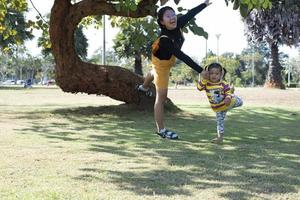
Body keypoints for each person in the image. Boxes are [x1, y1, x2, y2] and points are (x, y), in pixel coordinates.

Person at [137, 0, 211, 140]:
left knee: (153, 72)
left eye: (173, 14)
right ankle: (161, 130)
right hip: (161, 64)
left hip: (166, 59)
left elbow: (190, 14)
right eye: (168, 16)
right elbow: (182, 56)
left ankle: (143, 87)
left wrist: (205, 4)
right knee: (161, 96)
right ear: (162, 22)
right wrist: (201, 70)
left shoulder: (178, 24)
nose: (172, 18)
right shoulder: (165, 39)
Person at [197, 63, 243, 144]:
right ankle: (220, 138)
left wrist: (228, 97)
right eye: (211, 73)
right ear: (207, 73)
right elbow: (199, 88)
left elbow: (227, 92)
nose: (214, 75)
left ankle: (232, 94)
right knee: (219, 122)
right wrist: (203, 79)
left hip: (227, 103)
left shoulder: (223, 83)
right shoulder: (206, 83)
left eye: (217, 73)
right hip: (218, 107)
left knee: (240, 101)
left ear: (221, 74)